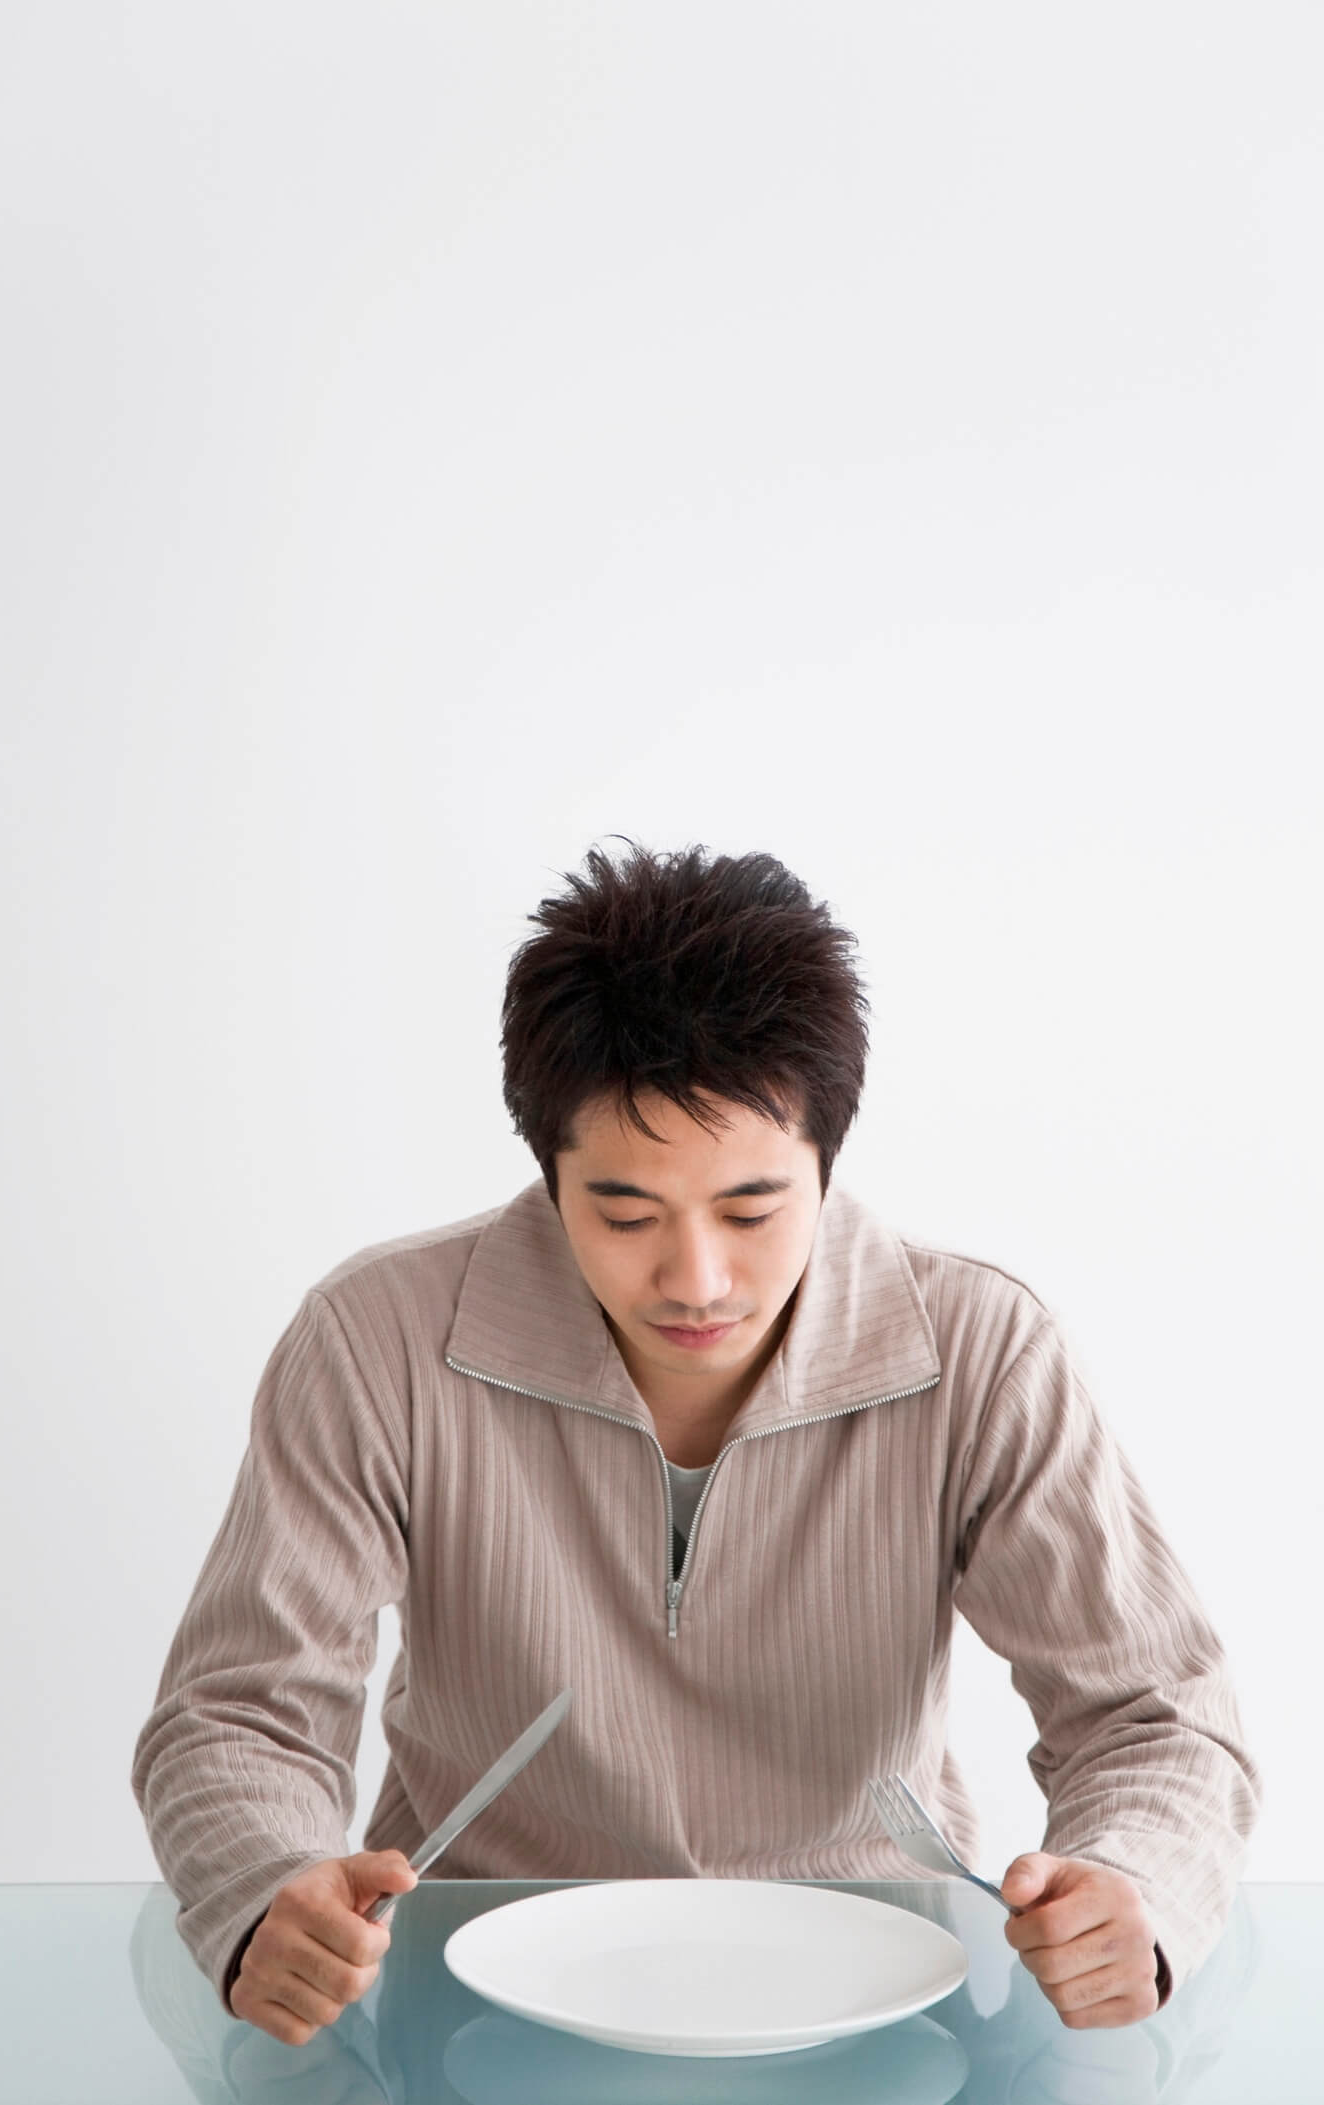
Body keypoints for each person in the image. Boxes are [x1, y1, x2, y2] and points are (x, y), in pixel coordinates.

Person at [132, 840, 1261, 2050]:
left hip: (882, 1986)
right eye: (623, 1209)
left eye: (751, 1207)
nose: (696, 1278)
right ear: (546, 1169)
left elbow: (1153, 1710)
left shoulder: (979, 1348)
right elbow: (239, 1709)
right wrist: (267, 1888)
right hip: (467, 1979)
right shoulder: (378, 1338)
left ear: (827, 1165)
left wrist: (1124, 1883)